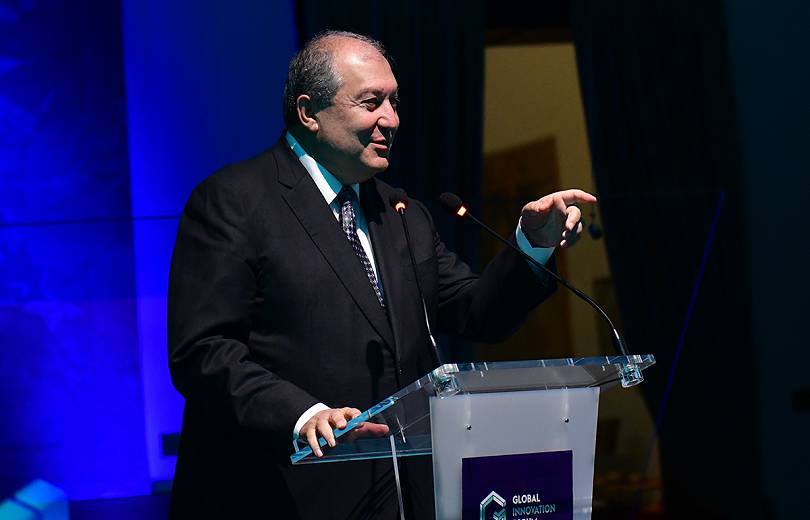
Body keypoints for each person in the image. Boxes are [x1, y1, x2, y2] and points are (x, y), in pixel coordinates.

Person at [167, 30, 596, 519]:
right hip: (283, 496)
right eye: (371, 103)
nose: (391, 120)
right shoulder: (235, 201)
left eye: (394, 102)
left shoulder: (402, 213)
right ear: (309, 112)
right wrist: (304, 415)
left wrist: (533, 245)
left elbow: (478, 314)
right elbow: (203, 351)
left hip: (403, 498)